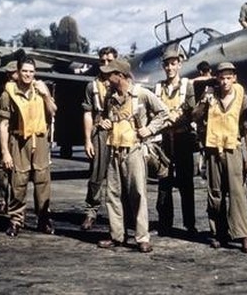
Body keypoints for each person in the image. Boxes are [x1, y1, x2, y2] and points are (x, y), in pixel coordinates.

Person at [96, 59, 168, 253]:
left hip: (134, 150)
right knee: (112, 195)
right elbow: (103, 116)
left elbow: (163, 113)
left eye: (110, 74)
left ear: (120, 76)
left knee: (138, 194)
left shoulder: (141, 94)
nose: (106, 77)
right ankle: (117, 236)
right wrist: (103, 122)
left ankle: (142, 238)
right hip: (114, 151)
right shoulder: (109, 96)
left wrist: (150, 129)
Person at [192, 62, 247, 253]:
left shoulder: (242, 99)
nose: (225, 81)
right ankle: (218, 233)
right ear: (217, 78)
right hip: (213, 150)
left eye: (229, 77)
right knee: (215, 193)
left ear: (234, 78)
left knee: (237, 194)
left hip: (233, 149)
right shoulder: (210, 95)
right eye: (222, 77)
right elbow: (194, 116)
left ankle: (243, 235)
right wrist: (204, 101)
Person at [0, 57, 58, 237]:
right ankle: (16, 220)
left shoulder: (40, 90)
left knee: (42, 181)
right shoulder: (8, 93)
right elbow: (3, 125)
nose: (28, 75)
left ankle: (43, 219)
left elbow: (53, 111)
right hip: (19, 141)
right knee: (18, 181)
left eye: (31, 71)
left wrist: (46, 95)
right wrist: (5, 152)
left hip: (39, 140)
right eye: (24, 71)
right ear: (18, 72)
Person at [155, 48, 197, 237]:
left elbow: (191, 111)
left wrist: (177, 118)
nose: (170, 67)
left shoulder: (187, 85)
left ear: (179, 64)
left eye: (173, 64)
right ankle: (165, 224)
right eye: (167, 64)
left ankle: (189, 225)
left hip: (182, 139)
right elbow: (152, 111)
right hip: (165, 140)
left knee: (186, 183)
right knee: (164, 182)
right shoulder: (158, 88)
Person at [80, 46, 118, 230]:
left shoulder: (122, 83)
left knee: (120, 176)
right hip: (100, 133)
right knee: (96, 173)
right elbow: (87, 113)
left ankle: (120, 215)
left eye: (109, 61)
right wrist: (88, 139)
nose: (105, 64)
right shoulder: (92, 86)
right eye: (102, 61)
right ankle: (91, 211)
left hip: (120, 132)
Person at [0, 60, 18, 215]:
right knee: (0, 170)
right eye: (8, 72)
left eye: (13, 72)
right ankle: (2, 201)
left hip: (18, 137)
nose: (10, 75)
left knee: (18, 173)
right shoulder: (2, 93)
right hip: (4, 136)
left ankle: (15, 204)